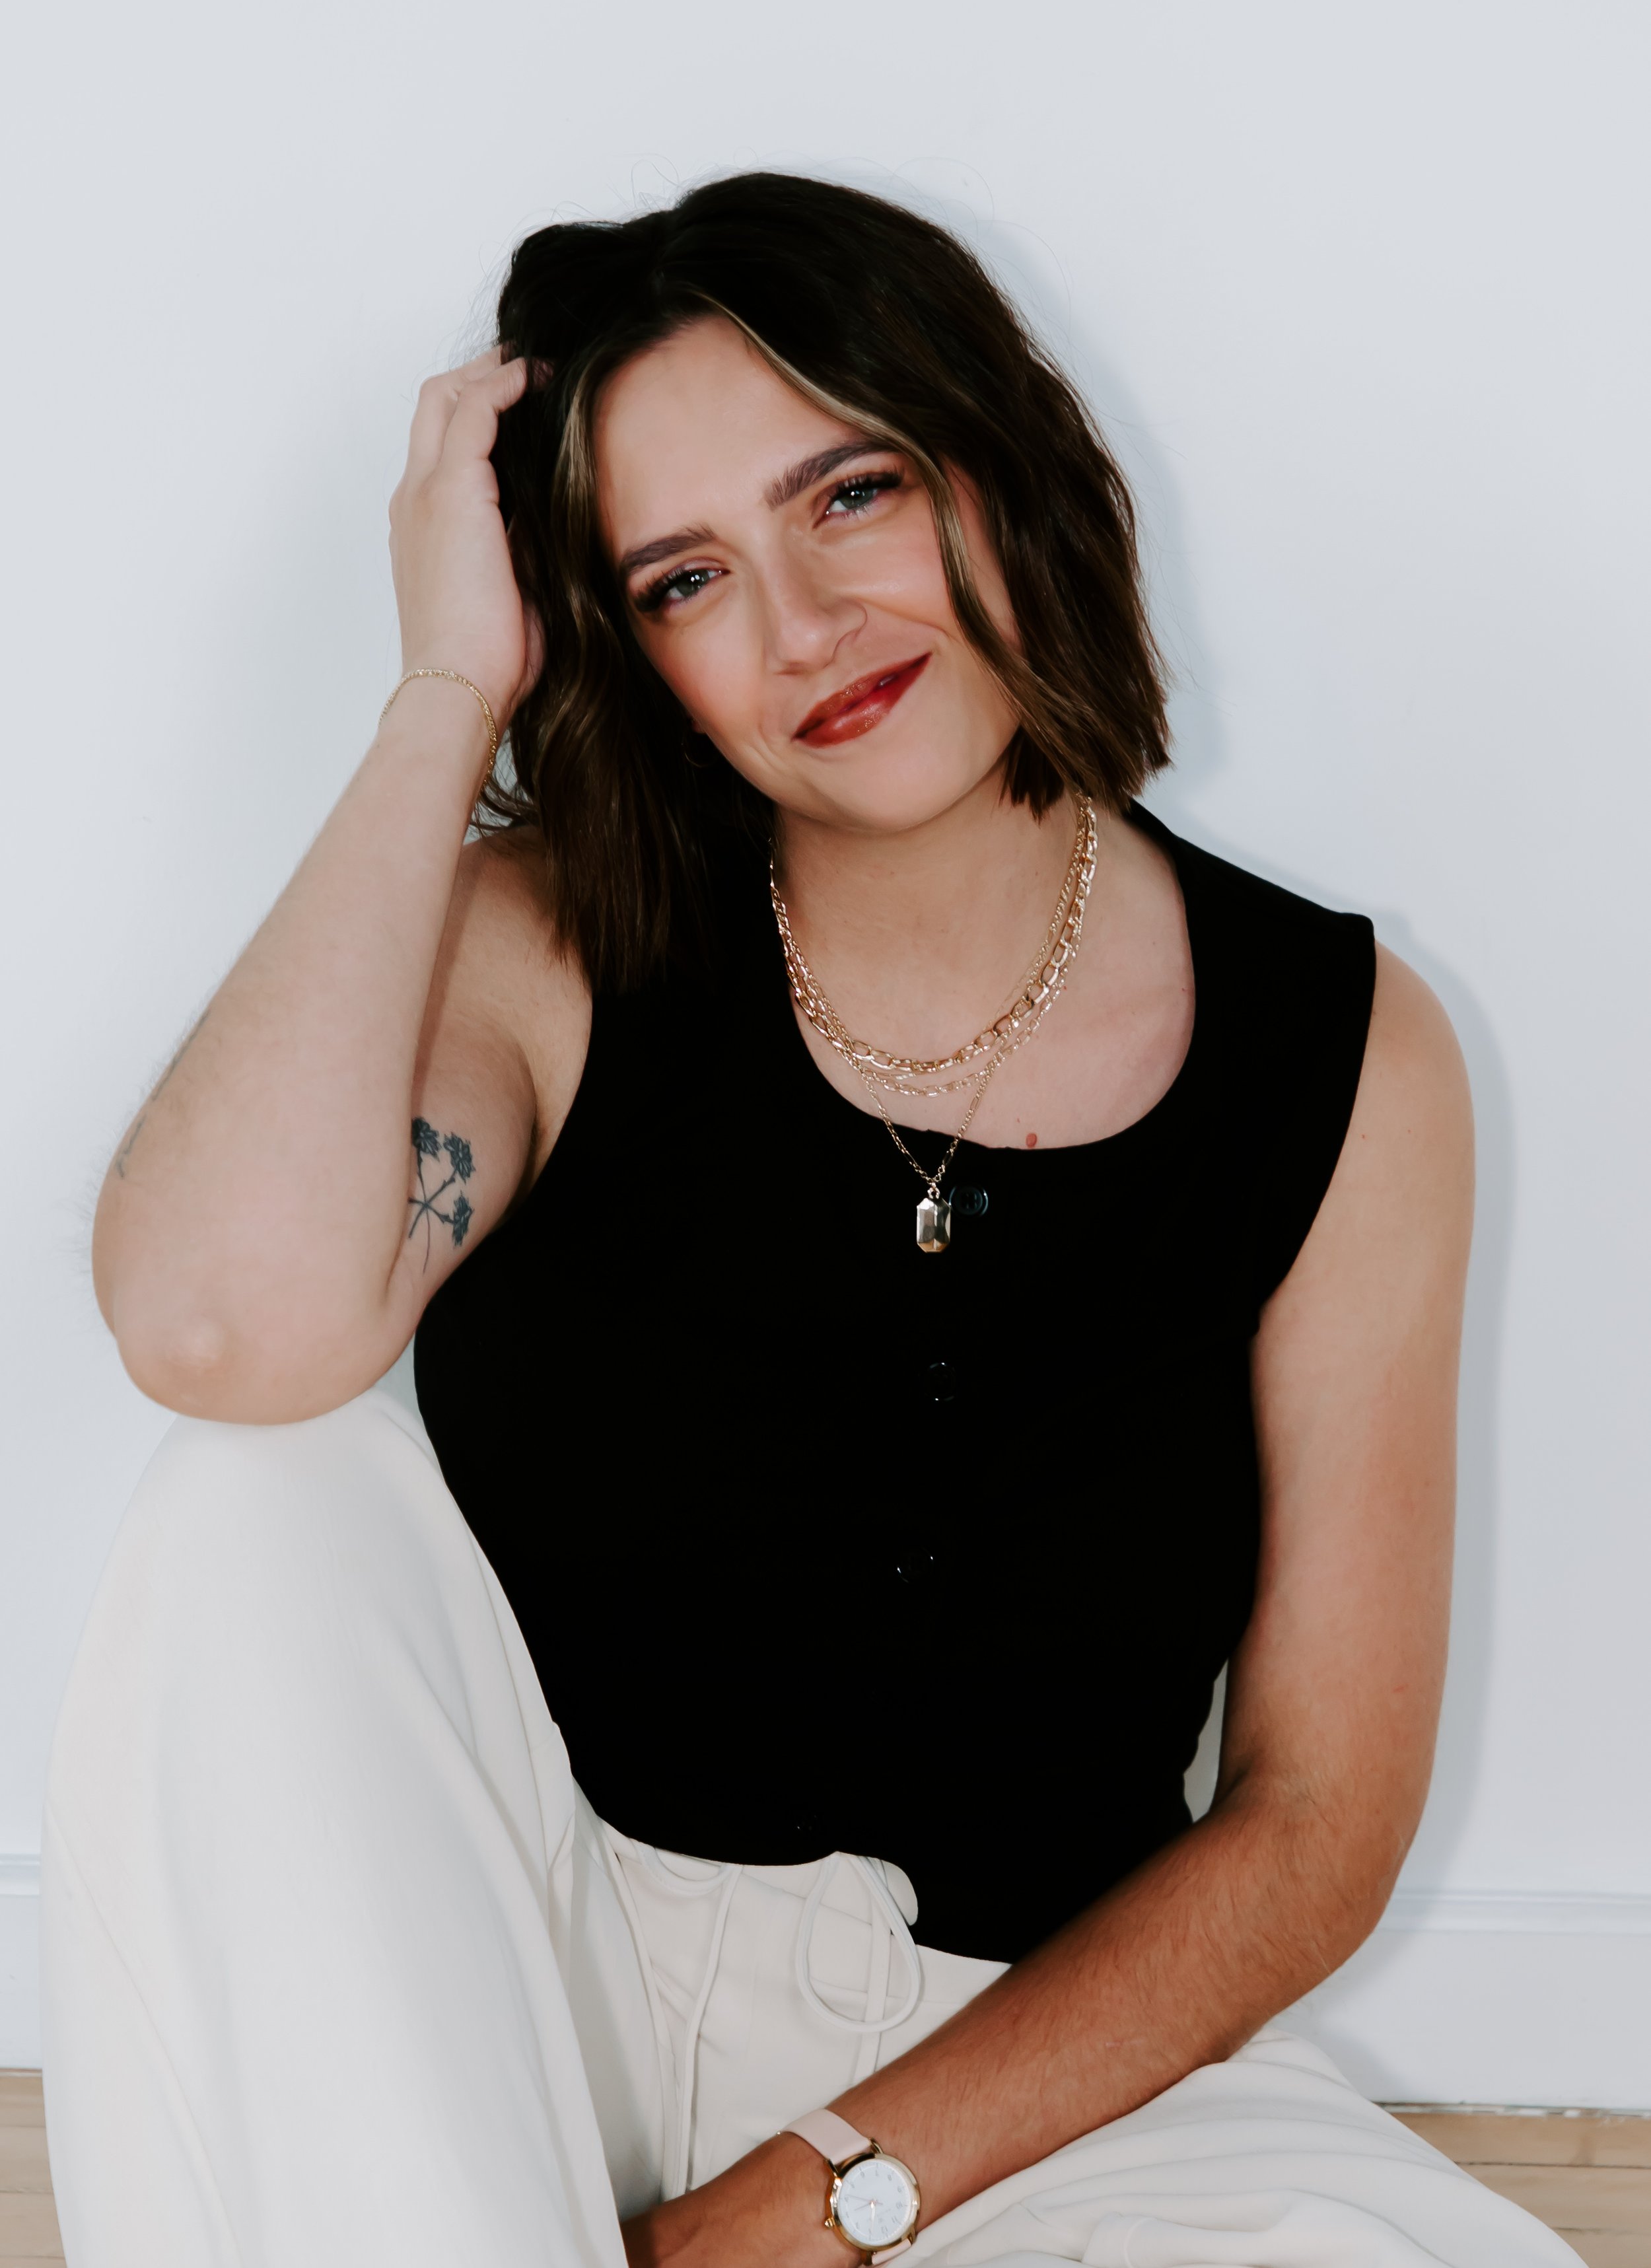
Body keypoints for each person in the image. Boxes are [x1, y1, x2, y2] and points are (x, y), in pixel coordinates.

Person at [44, 174, 1578, 2268]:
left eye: (844, 495)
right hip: (510, 1991)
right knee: (252, 1505)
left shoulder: (1346, 1051)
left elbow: (1313, 1828)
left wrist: (819, 2196)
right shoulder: (550, 942)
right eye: (681, 579)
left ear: (993, 459)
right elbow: (218, 1330)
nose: (799, 630)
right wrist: (439, 705)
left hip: (1017, 2074)